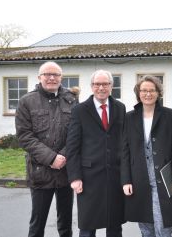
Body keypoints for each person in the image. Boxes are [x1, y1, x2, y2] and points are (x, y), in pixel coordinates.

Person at [15, 61, 78, 237]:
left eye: (56, 74)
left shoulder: (71, 99)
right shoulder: (27, 101)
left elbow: (77, 133)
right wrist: (51, 158)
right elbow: (24, 136)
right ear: (39, 77)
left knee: (66, 224)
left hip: (66, 172)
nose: (51, 77)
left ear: (61, 77)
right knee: (37, 224)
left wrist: (63, 156)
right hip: (40, 172)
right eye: (47, 74)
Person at [121, 75, 172, 237]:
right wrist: (126, 180)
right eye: (144, 90)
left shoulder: (170, 115)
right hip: (139, 179)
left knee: (162, 228)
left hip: (164, 180)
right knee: (146, 227)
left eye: (151, 90)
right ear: (138, 93)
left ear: (158, 93)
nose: (147, 94)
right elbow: (124, 151)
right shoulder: (129, 117)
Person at [66, 70, 126, 237]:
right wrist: (75, 177)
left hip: (115, 175)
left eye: (105, 84)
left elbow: (123, 142)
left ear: (111, 87)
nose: (101, 88)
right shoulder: (79, 110)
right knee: (88, 226)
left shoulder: (120, 108)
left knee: (115, 225)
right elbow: (72, 146)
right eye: (97, 84)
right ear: (92, 87)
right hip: (89, 177)